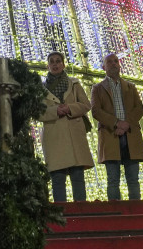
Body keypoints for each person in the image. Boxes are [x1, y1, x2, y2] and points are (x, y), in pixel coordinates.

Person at [39, 52, 93, 203]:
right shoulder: (40, 89)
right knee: (57, 179)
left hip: (74, 134)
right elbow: (37, 112)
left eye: (58, 61)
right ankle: (61, 215)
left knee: (78, 177)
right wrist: (55, 111)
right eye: (52, 62)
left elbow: (86, 105)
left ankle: (82, 213)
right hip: (54, 135)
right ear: (47, 65)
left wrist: (69, 108)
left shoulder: (74, 84)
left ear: (63, 64)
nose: (55, 64)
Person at [90, 53, 143, 200]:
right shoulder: (97, 88)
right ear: (104, 67)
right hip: (110, 135)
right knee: (113, 180)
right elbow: (96, 111)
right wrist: (116, 123)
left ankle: (136, 214)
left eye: (116, 61)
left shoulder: (131, 87)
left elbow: (139, 108)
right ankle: (116, 213)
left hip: (131, 135)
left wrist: (126, 123)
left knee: (133, 180)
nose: (114, 64)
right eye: (110, 62)